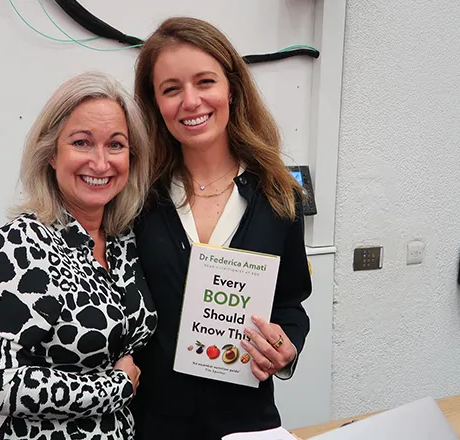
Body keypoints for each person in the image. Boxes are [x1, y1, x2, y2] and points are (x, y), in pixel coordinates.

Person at [129, 17, 313, 439]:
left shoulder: (279, 195)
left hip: (247, 423)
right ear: (155, 103)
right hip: (153, 424)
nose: (190, 101)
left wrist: (286, 349)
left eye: (204, 81)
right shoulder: (137, 200)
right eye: (171, 89)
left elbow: (289, 303)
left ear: (231, 86)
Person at [0, 71, 157, 440]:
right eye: (82, 143)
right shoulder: (22, 244)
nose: (101, 163)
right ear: (52, 153)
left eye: (116, 145)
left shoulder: (123, 242)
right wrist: (114, 387)